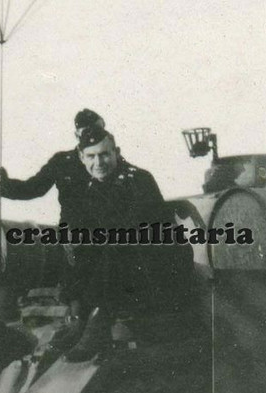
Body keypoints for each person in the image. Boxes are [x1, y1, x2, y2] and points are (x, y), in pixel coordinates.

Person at [62, 127, 187, 361]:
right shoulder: (90, 191)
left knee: (118, 244)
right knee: (74, 245)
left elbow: (136, 234)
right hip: (122, 274)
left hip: (159, 269)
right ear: (82, 158)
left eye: (104, 154)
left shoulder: (137, 180)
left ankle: (98, 323)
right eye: (91, 156)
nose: (98, 162)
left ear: (116, 152)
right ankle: (79, 320)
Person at [0, 108, 105, 227]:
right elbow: (33, 188)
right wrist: (4, 183)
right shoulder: (62, 162)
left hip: (106, 239)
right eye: (87, 132)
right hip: (70, 239)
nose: (93, 136)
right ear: (77, 135)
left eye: (99, 131)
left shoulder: (114, 162)